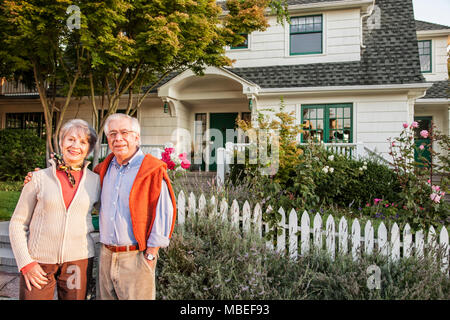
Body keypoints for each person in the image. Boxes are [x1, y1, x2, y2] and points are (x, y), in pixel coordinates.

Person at [9, 119, 100, 300]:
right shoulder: (38, 178)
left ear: (89, 149)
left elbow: (109, 213)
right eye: (70, 139)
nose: (75, 146)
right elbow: (17, 223)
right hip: (39, 261)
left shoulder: (96, 181)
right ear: (61, 142)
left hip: (78, 261)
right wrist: (25, 262)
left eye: (83, 142)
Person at [93, 113, 177, 300]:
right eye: (113, 133)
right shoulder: (103, 169)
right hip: (106, 255)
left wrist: (150, 255)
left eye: (124, 132)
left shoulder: (151, 170)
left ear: (136, 137)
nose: (118, 138)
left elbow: (164, 212)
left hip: (136, 257)